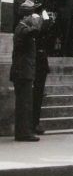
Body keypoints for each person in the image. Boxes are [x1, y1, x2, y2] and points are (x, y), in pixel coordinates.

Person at [10, 8, 43, 141]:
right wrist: (40, 20)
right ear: (25, 17)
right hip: (23, 72)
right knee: (25, 104)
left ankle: (21, 132)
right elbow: (34, 31)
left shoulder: (21, 28)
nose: (32, 17)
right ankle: (24, 133)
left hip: (22, 72)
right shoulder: (22, 29)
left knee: (23, 103)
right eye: (30, 15)